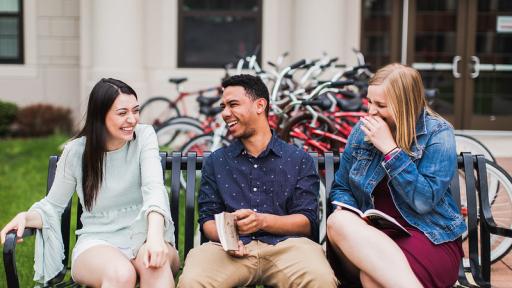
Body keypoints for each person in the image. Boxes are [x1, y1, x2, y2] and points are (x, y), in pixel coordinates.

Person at [0, 78, 179, 287]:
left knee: (153, 265)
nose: (132, 119)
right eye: (122, 113)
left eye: (136, 110)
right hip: (97, 243)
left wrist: (155, 238)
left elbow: (154, 188)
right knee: (121, 274)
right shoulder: (76, 152)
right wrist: (25, 217)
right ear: (99, 116)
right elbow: (53, 206)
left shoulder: (145, 136)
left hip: (145, 237)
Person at [177, 74, 337, 288]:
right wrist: (228, 235)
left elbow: (307, 221)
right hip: (230, 250)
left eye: (233, 104)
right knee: (192, 282)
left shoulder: (298, 159)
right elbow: (207, 220)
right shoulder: (217, 161)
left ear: (260, 105)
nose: (225, 113)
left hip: (287, 248)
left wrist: (261, 221)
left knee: (320, 279)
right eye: (223, 106)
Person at [327, 63, 466, 288]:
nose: (371, 111)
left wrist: (391, 151)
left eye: (380, 105)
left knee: (372, 280)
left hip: (427, 236)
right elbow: (342, 187)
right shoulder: (362, 132)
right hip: (371, 238)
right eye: (369, 102)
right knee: (338, 221)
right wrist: (351, 212)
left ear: (405, 105)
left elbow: (424, 201)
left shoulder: (438, 133)